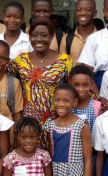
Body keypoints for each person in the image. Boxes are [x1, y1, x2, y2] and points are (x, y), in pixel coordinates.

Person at [10, 19, 72, 148]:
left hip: (56, 121)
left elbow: (73, 88)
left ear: (51, 36)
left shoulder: (65, 61)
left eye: (44, 35)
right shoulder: (20, 61)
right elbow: (8, 83)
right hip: (28, 125)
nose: (39, 39)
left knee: (55, 159)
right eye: (34, 35)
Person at [0, 40, 24, 123]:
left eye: (2, 58)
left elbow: (17, 114)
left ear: (8, 61)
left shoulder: (14, 83)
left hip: (9, 130)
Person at [60, 0, 98, 66]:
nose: (82, 13)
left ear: (95, 13)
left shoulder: (101, 38)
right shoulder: (67, 38)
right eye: (79, 10)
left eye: (88, 10)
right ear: (75, 13)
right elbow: (63, 66)